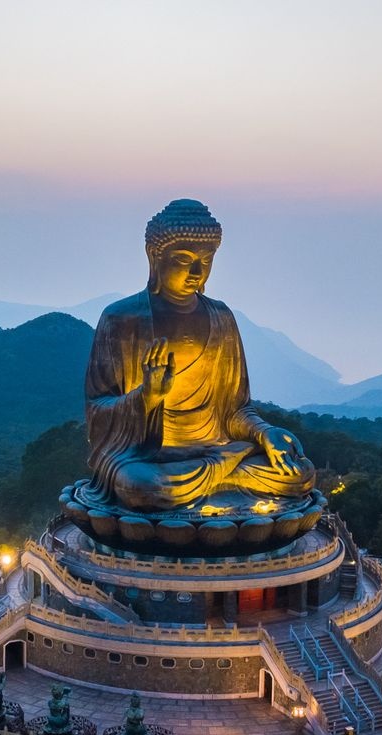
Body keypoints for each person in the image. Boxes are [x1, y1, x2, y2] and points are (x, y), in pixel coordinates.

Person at [84, 199, 315, 511]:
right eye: (183, 259)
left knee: (300, 473)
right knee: (140, 485)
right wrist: (147, 396)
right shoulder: (122, 319)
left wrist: (265, 433)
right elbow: (97, 410)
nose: (196, 272)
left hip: (213, 450)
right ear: (154, 256)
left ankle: (213, 479)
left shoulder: (221, 318)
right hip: (150, 458)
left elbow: (235, 411)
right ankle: (222, 479)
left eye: (205, 261)